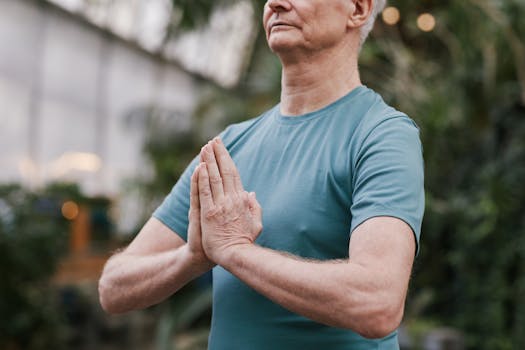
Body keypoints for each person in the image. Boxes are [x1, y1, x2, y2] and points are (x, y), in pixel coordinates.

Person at [98, 0, 425, 349]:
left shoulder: (382, 134)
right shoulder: (230, 146)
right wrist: (192, 257)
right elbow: (113, 288)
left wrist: (236, 252)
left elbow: (377, 304)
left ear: (358, 9)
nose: (274, 3)